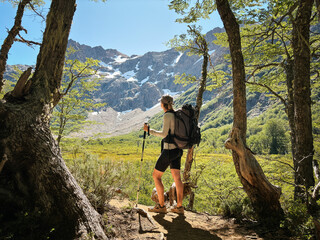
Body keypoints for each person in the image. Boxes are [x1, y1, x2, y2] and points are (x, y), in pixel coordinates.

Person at [143, 95, 184, 214]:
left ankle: (161, 206)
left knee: (156, 176)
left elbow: (164, 134)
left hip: (169, 151)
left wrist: (149, 131)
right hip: (178, 150)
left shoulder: (168, 115)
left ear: (163, 104)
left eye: (161, 102)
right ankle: (179, 207)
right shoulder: (177, 115)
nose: (160, 104)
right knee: (177, 178)